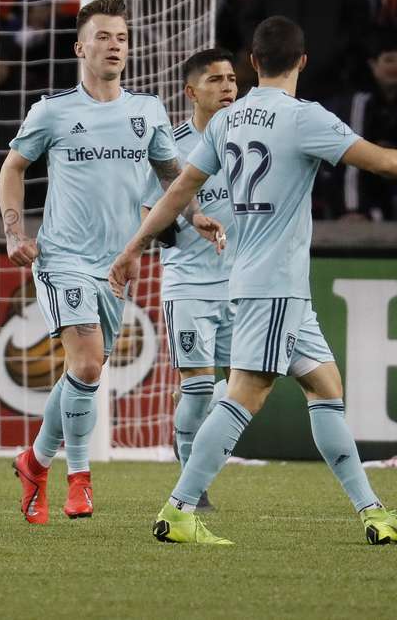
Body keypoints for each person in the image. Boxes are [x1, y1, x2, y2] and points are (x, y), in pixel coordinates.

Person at [109, 16, 397, 546]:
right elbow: (379, 161)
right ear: (303, 61)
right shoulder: (304, 117)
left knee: (326, 387)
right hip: (274, 282)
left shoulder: (227, 122)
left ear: (253, 62)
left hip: (267, 283)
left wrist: (131, 247)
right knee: (245, 395)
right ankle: (179, 509)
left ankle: (372, 513)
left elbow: (179, 190)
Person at [0, 0, 224, 524]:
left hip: (115, 265)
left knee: (87, 370)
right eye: (103, 36)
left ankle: (35, 461)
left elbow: (171, 176)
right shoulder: (52, 111)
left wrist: (194, 214)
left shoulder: (146, 111)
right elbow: (13, 168)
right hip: (62, 257)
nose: (114, 46)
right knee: (84, 363)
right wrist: (13, 232)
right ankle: (79, 478)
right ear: (80, 48)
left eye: (121, 38)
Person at [141, 49, 238, 511]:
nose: (227, 87)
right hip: (190, 284)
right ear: (191, 92)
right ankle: (191, 489)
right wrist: (184, 217)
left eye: (232, 79)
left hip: (243, 285)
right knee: (199, 390)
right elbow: (150, 215)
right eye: (215, 80)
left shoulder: (249, 144)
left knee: (240, 390)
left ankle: (194, 456)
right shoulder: (173, 149)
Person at [324, 33, 397, 221]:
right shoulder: (360, 101)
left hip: (392, 188)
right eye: (389, 60)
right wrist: (352, 209)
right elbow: (351, 160)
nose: (396, 66)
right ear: (373, 65)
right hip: (351, 191)